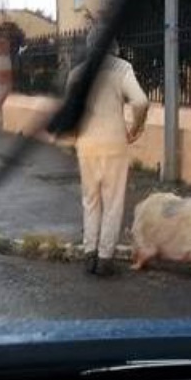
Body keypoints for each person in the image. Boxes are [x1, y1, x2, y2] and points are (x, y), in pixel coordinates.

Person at [69, 29, 149, 277]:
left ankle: (89, 253)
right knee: (113, 203)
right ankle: (105, 258)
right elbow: (140, 101)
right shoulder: (122, 69)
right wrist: (135, 128)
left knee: (90, 201)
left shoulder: (76, 74)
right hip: (114, 144)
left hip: (87, 145)